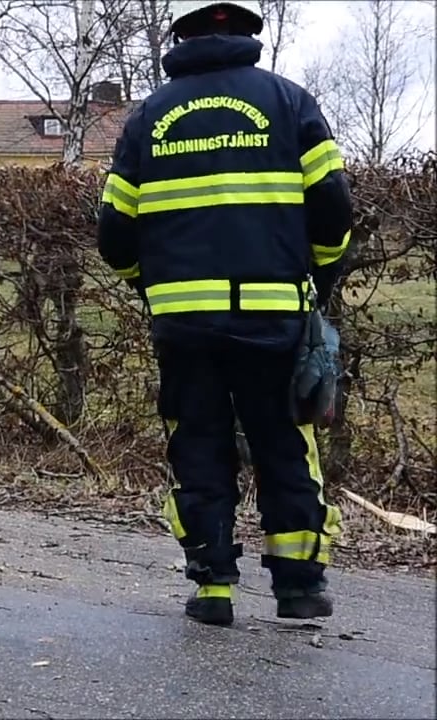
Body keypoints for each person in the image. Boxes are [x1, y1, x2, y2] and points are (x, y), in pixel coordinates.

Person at [97, 0, 353, 627]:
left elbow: (113, 233)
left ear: (179, 33)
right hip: (274, 318)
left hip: (184, 323)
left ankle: (213, 588)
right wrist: (314, 278)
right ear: (250, 30)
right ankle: (299, 588)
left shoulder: (149, 117)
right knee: (285, 440)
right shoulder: (290, 101)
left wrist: (150, 286)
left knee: (199, 442)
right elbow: (333, 210)